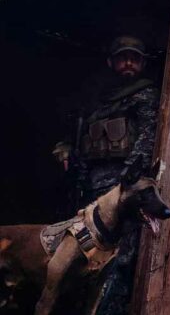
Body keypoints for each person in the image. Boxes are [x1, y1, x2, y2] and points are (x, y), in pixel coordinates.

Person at [54, 35, 159, 315]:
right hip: (90, 190)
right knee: (82, 253)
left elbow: (145, 142)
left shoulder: (145, 94)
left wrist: (124, 188)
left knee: (119, 259)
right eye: (123, 57)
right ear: (111, 61)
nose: (128, 63)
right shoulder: (99, 99)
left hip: (119, 192)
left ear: (142, 63)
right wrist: (67, 150)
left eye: (134, 58)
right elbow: (81, 138)